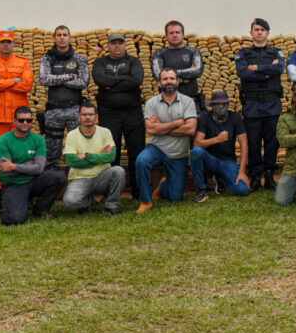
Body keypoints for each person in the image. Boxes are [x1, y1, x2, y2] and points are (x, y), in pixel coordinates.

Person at [0, 29, 34, 212]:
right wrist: (13, 81)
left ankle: (24, 195)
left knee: (23, 155)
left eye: (8, 42)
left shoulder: (22, 62)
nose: (5, 45)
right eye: (2, 42)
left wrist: (1, 82)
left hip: (19, 119)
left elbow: (27, 85)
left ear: (13, 44)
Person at [135, 68, 199, 212]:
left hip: (178, 154)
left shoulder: (188, 102)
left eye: (172, 78)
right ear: (159, 83)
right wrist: (178, 123)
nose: (169, 81)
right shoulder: (151, 103)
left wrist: (161, 126)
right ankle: (146, 201)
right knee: (141, 161)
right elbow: (151, 130)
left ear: (177, 82)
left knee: (175, 198)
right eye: (165, 79)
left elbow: (190, 129)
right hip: (156, 148)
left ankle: (163, 185)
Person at [93, 31, 145, 198]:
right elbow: (100, 80)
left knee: (136, 152)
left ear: (125, 45)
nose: (117, 46)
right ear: (108, 45)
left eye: (120, 43)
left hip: (132, 112)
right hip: (108, 113)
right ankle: (112, 192)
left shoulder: (133, 61)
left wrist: (111, 86)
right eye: (113, 43)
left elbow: (137, 80)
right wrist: (125, 80)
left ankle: (138, 192)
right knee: (111, 153)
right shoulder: (100, 62)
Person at [235, 17, 285, 190]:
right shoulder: (243, 53)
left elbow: (279, 68)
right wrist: (267, 73)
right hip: (252, 104)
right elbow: (242, 72)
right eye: (256, 29)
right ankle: (255, 174)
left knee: (272, 142)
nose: (259, 32)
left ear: (268, 33)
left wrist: (256, 68)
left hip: (272, 104)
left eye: (262, 30)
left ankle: (269, 174)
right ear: (251, 32)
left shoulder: (276, 52)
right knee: (253, 141)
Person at [0, 106, 66, 224]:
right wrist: (30, 165)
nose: (25, 123)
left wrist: (14, 166)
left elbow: (39, 168)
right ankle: (10, 205)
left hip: (33, 180)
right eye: (21, 120)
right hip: (14, 184)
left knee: (59, 177)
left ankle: (41, 210)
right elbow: (7, 172)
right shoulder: (3, 141)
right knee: (15, 220)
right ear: (14, 121)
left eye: (28, 120)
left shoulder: (38, 140)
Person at [38, 25, 90, 166]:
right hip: (54, 111)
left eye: (65, 35)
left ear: (70, 38)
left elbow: (83, 82)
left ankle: (80, 174)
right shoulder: (47, 58)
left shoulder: (79, 59)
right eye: (59, 35)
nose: (62, 38)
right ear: (54, 38)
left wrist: (57, 79)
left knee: (79, 146)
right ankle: (51, 176)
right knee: (51, 150)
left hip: (75, 110)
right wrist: (69, 76)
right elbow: (44, 79)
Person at [62, 103, 126, 215]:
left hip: (102, 177)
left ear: (96, 116)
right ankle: (85, 203)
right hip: (80, 178)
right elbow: (72, 161)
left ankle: (112, 205)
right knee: (69, 202)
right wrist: (100, 155)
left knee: (118, 171)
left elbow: (111, 156)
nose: (87, 117)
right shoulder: (72, 135)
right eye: (84, 114)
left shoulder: (105, 132)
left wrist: (86, 156)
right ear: (79, 117)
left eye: (91, 114)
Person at [189, 90, 251, 202]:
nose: (220, 107)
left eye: (223, 104)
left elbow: (244, 145)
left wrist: (242, 172)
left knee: (243, 190)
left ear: (228, 105)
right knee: (196, 152)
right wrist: (217, 139)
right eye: (217, 104)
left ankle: (221, 179)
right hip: (210, 161)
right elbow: (197, 143)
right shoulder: (204, 118)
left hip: (228, 161)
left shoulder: (235, 117)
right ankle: (201, 190)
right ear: (212, 106)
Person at [151, 20, 204, 109]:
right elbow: (158, 75)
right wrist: (183, 80)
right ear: (166, 36)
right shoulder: (159, 53)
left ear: (183, 35)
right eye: (171, 33)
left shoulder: (193, 51)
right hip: (167, 102)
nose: (175, 35)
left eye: (177, 32)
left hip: (190, 100)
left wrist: (169, 74)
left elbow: (197, 71)